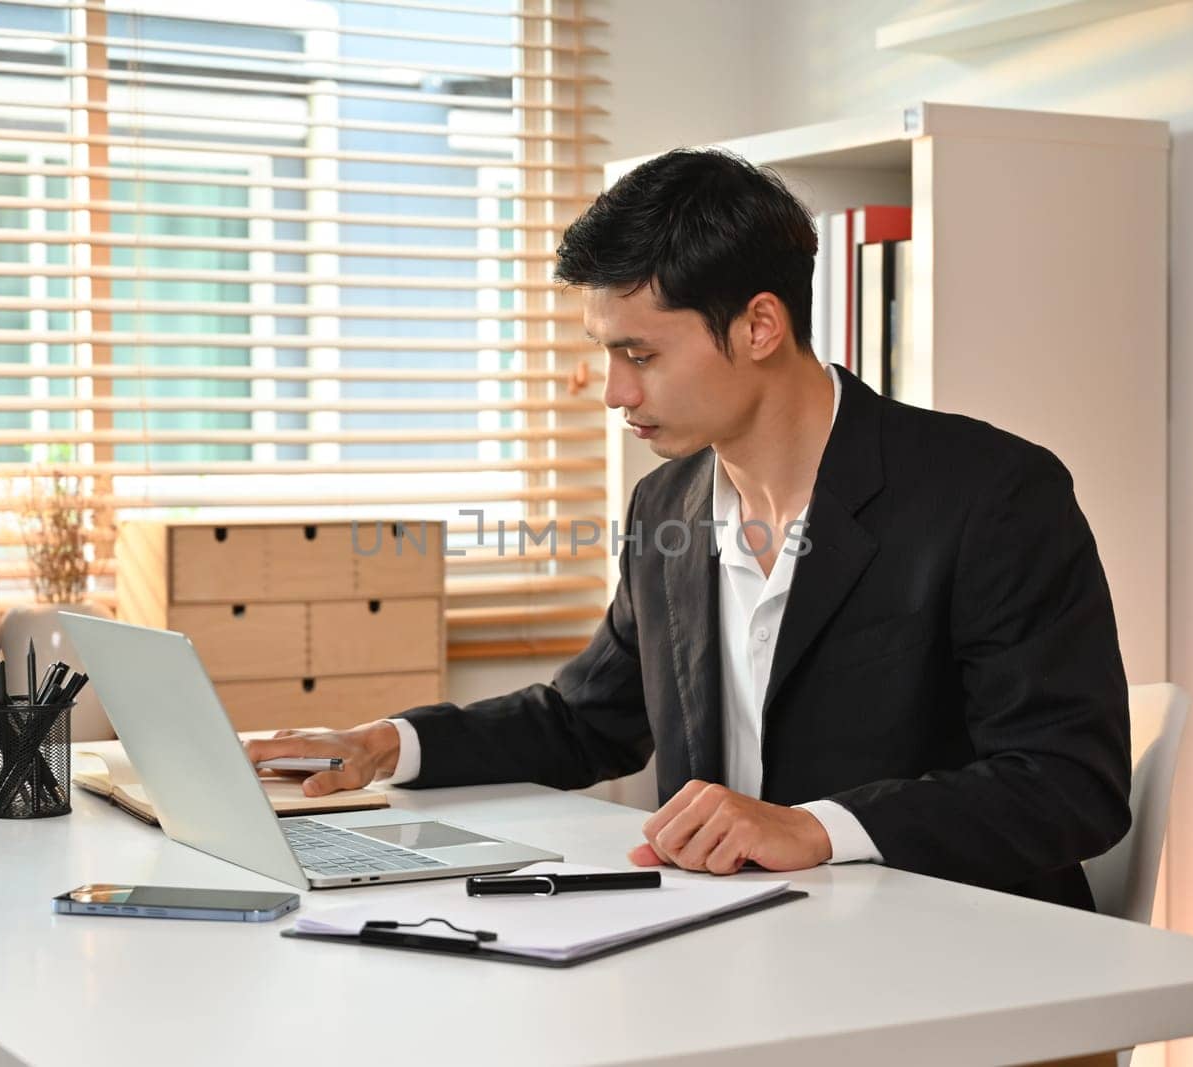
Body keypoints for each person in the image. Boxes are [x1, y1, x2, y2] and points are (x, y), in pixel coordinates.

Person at [246, 147, 1131, 913]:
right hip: (734, 940)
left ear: (758, 326)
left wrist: (812, 829)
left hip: (956, 957)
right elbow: (583, 720)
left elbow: (1069, 784)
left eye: (640, 354)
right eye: (606, 355)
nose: (615, 393)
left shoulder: (991, 493)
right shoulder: (666, 505)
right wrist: (384, 745)